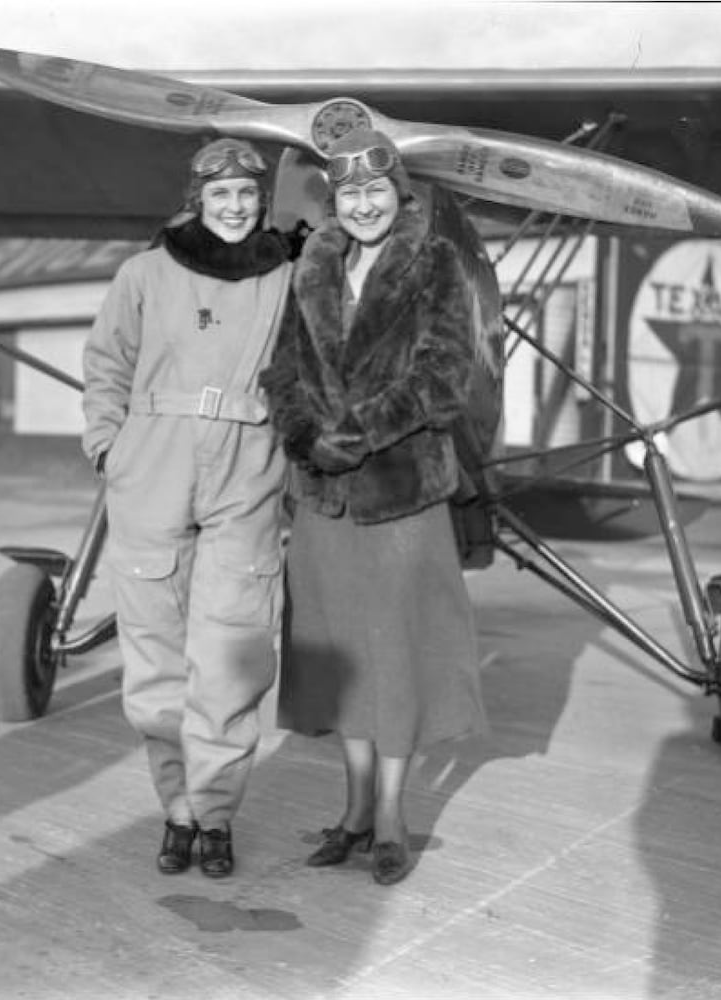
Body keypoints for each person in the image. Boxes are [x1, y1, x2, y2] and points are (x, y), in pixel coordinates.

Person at [261, 129, 499, 887]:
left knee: (395, 653)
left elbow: (445, 377)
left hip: (400, 496)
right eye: (349, 194)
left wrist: (356, 435)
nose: (363, 205)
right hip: (324, 497)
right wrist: (306, 439)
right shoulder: (314, 266)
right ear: (335, 201)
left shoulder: (433, 263)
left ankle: (392, 816)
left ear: (400, 195)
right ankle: (354, 808)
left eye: (377, 191)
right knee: (340, 657)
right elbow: (284, 374)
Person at [81, 138, 294, 879]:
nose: (233, 207)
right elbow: (106, 363)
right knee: (155, 656)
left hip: (247, 468)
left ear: (262, 200)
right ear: (196, 199)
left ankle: (217, 816)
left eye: (246, 193)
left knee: (231, 655)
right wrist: (110, 446)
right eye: (219, 194)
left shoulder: (289, 277)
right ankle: (177, 809)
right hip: (153, 466)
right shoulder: (143, 273)